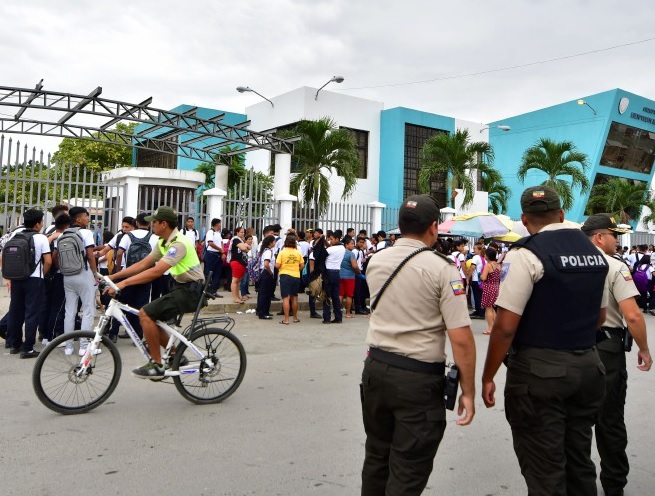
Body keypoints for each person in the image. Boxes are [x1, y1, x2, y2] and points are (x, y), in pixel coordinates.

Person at [481, 186, 610, 495]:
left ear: (525, 219)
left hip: (540, 373)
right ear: (562, 214)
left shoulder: (526, 253)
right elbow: (600, 318)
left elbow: (505, 326)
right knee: (579, 461)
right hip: (588, 367)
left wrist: (488, 375)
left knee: (544, 469)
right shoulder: (595, 253)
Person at [360, 194, 476, 496]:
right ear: (434, 228)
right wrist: (469, 391)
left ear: (400, 225)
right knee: (409, 469)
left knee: (377, 457)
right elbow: (461, 338)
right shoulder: (442, 269)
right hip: (417, 379)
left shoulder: (376, 260)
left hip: (375, 370)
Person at [581, 213, 652, 496]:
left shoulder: (566, 263)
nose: (617, 241)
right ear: (600, 237)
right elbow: (632, 315)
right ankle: (613, 486)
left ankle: (578, 483)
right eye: (614, 235)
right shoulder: (613, 266)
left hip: (573, 350)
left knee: (577, 422)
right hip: (606, 350)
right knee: (609, 420)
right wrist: (644, 349)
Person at [107, 206, 205, 378]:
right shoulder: (163, 242)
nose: (151, 225)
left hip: (191, 291)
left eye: (154, 222)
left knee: (145, 313)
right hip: (180, 287)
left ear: (164, 224)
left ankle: (157, 364)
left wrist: (123, 284)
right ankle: (175, 355)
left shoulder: (178, 244)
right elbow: (143, 264)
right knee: (153, 317)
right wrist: (113, 276)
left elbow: (155, 271)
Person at [5, 209, 52, 358]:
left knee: (15, 311)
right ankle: (28, 348)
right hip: (34, 279)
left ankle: (15, 345)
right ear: (38, 224)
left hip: (16, 278)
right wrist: (41, 274)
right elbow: (48, 261)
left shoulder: (14, 235)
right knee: (32, 313)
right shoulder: (41, 238)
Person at [275, 234, 304, 324]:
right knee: (294, 297)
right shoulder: (298, 252)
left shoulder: (282, 252)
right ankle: (295, 318)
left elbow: (277, 265)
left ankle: (286, 319)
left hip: (285, 275)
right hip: (295, 276)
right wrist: (296, 269)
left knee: (286, 298)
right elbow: (302, 265)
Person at [322, 232, 345, 324]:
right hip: (337, 272)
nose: (330, 241)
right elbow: (329, 247)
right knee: (335, 296)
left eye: (331, 239)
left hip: (328, 272)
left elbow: (322, 254)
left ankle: (327, 318)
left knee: (326, 296)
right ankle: (338, 317)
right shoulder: (342, 248)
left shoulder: (330, 250)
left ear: (337, 239)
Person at [480, 247, 501, 335]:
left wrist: (480, 275)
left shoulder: (488, 265)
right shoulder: (498, 265)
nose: (484, 255)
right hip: (496, 287)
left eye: (485, 254)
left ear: (488, 256)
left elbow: (484, 277)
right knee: (493, 309)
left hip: (489, 287)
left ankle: (490, 328)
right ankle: (495, 328)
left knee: (488, 309)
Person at [255, 235, 276, 320]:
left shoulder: (265, 250)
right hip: (266, 273)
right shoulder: (268, 252)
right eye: (274, 241)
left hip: (264, 273)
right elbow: (266, 264)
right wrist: (271, 273)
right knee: (264, 294)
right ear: (271, 242)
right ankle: (262, 313)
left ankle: (264, 311)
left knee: (264, 293)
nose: (275, 243)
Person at [339, 237, 360, 318]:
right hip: (350, 277)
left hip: (340, 275)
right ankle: (348, 313)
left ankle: (337, 311)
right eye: (351, 244)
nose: (353, 245)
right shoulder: (351, 254)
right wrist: (358, 271)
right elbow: (354, 266)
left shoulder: (340, 253)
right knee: (349, 295)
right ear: (346, 245)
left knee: (340, 294)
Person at [203, 218, 223, 297]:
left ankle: (213, 291)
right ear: (217, 224)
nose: (221, 225)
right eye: (220, 223)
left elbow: (221, 242)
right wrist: (220, 249)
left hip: (218, 254)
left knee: (217, 273)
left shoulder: (218, 233)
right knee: (208, 273)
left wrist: (222, 252)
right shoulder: (210, 232)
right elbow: (210, 243)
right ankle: (206, 291)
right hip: (211, 254)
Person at [228, 227, 250, 304]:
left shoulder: (241, 241)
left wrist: (246, 246)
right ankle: (235, 298)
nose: (243, 234)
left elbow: (247, 250)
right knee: (235, 280)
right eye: (241, 232)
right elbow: (244, 248)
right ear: (237, 233)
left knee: (238, 281)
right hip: (236, 262)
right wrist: (246, 245)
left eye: (244, 232)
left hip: (241, 262)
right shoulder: (236, 239)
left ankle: (238, 296)